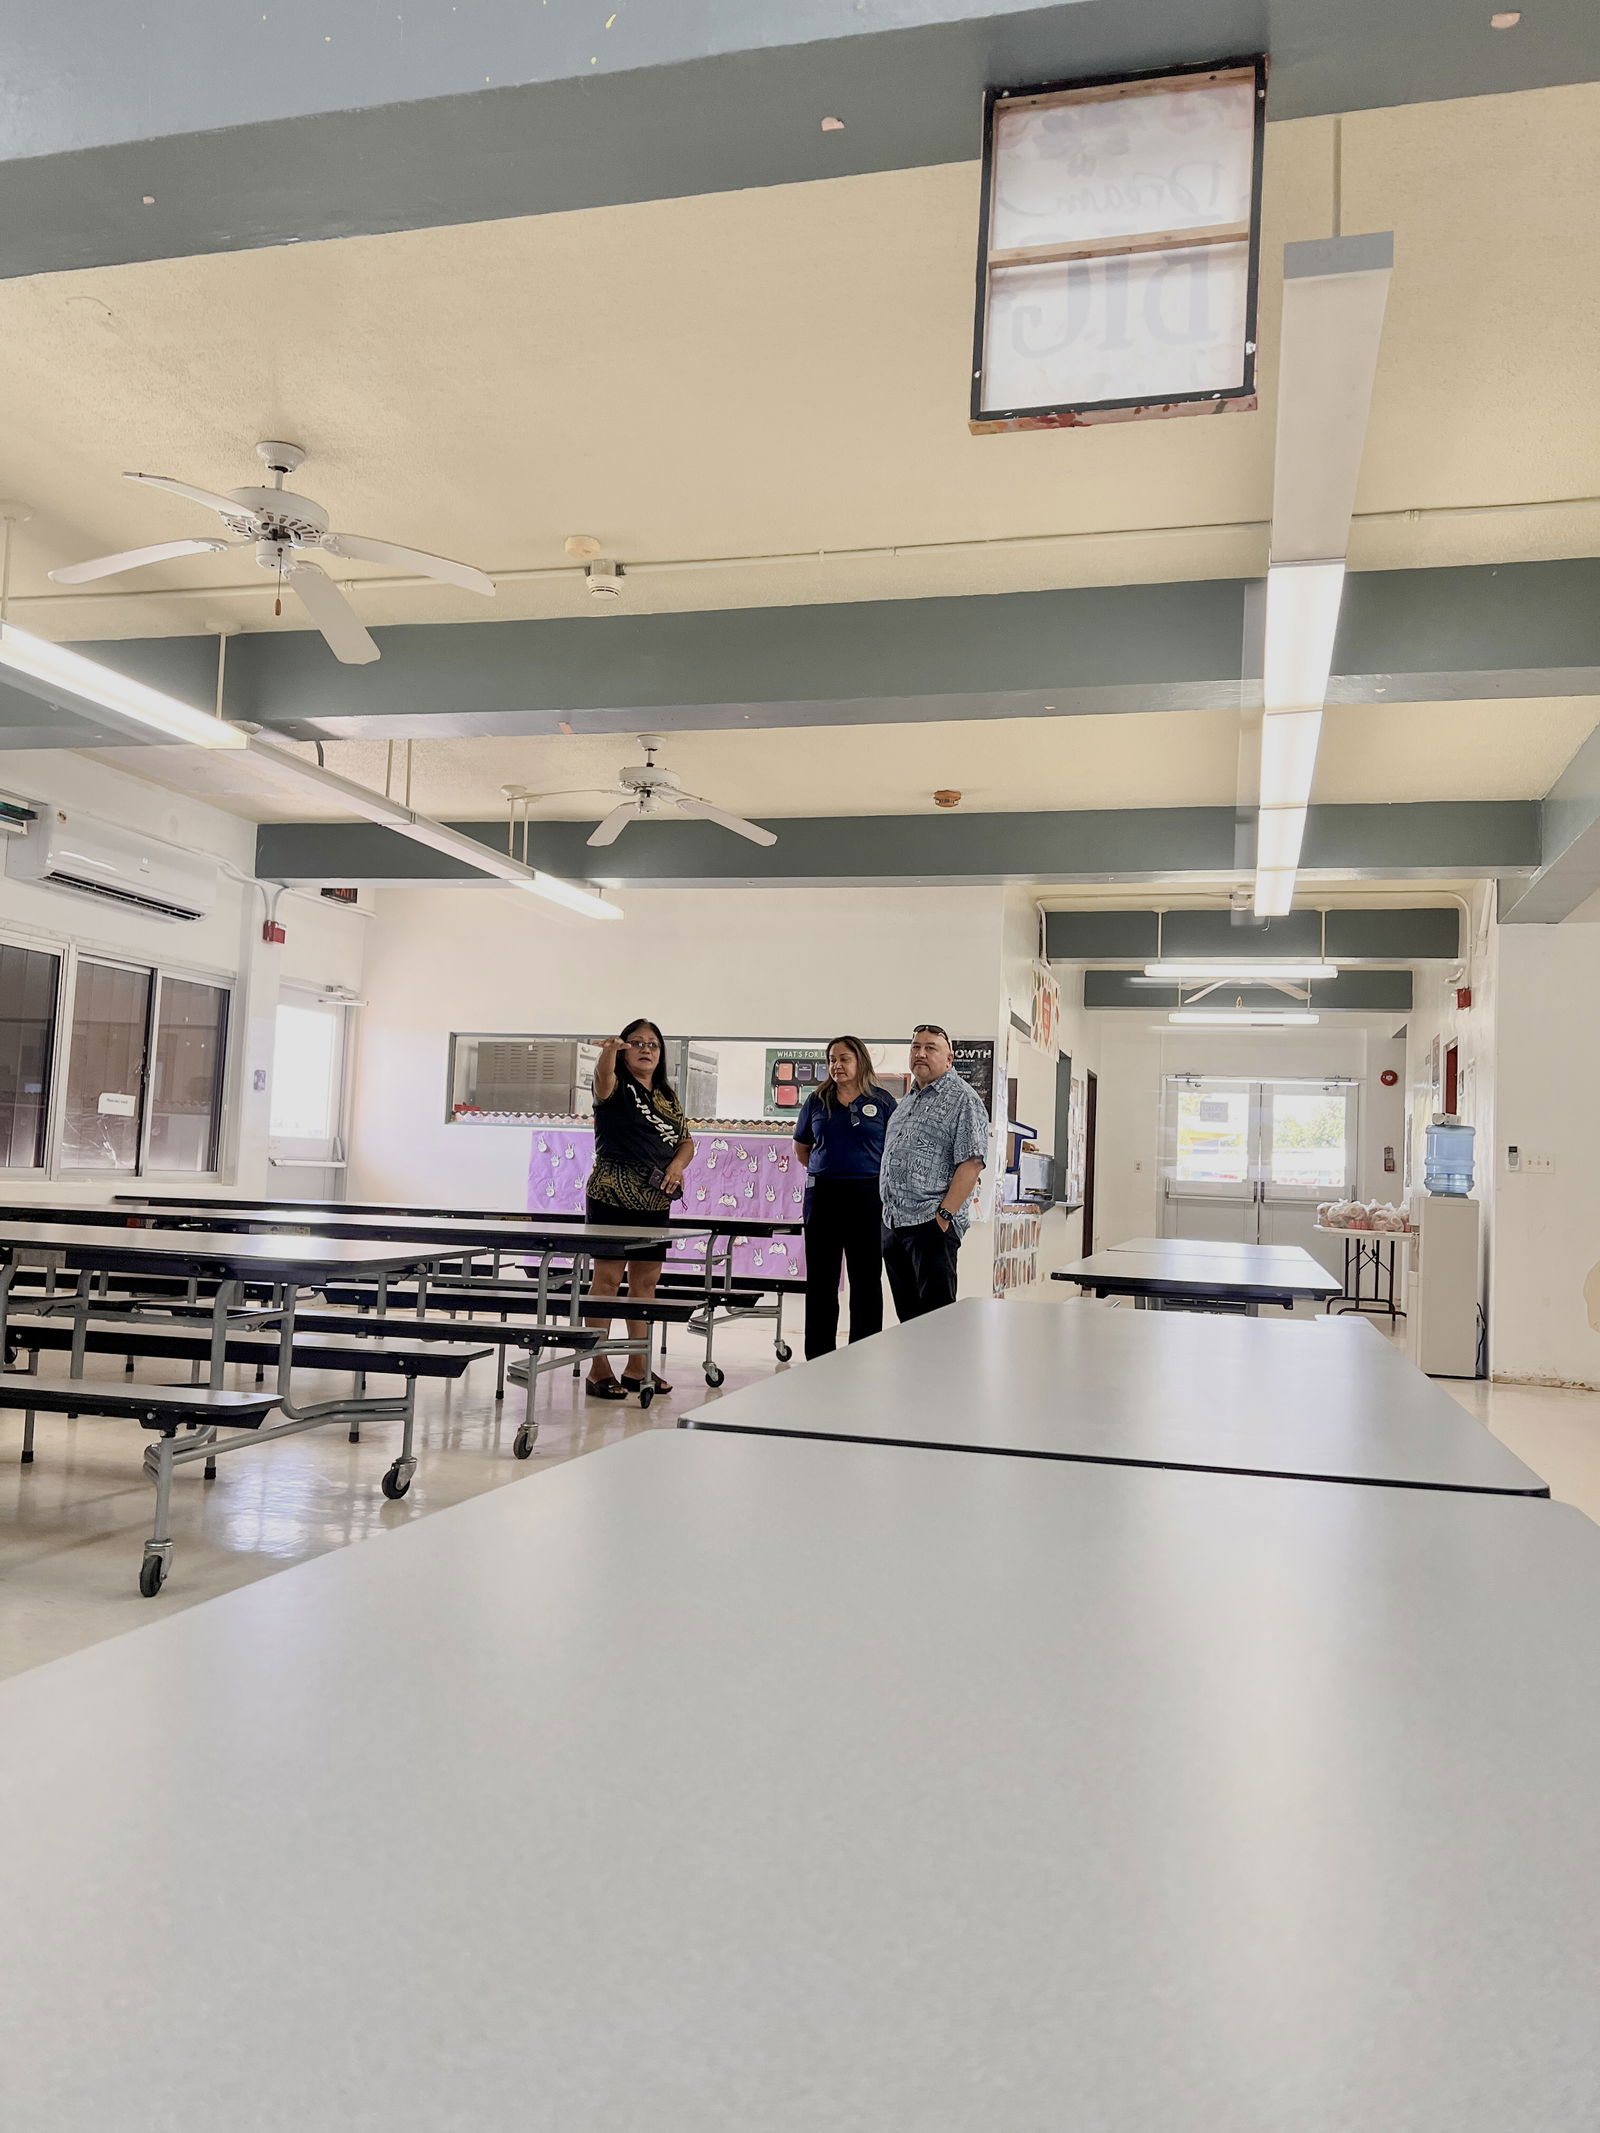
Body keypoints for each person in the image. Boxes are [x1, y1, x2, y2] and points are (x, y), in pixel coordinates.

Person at [582, 1018, 694, 1400]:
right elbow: (602, 1076)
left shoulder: (666, 1095)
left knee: (646, 1282)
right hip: (611, 1196)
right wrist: (607, 1053)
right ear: (624, 1048)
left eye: (653, 1044)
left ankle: (637, 1366)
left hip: (654, 1199)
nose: (646, 1049)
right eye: (637, 1042)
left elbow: (686, 1141)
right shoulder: (614, 1084)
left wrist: (677, 1165)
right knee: (608, 1279)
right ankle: (598, 1367)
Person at [793, 1035, 897, 1360]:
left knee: (866, 1279)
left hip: (868, 1196)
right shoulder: (817, 1101)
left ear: (860, 1061)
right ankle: (819, 1357)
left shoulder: (882, 1101)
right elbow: (802, 1148)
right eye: (832, 1060)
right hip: (824, 1195)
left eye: (844, 1059)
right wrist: (827, 1169)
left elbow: (895, 1150)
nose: (836, 1065)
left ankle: (862, 1356)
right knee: (821, 1282)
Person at [878, 1022, 989, 1322]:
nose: (920, 1054)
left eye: (930, 1048)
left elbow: (972, 1162)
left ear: (949, 1058)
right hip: (895, 1225)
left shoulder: (963, 1098)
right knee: (909, 1321)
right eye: (916, 1047)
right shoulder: (909, 1099)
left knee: (937, 1323)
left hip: (931, 1224)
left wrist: (944, 1216)